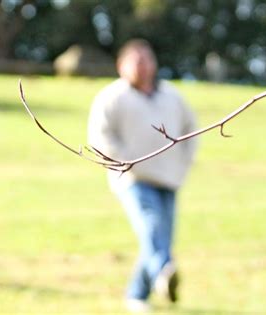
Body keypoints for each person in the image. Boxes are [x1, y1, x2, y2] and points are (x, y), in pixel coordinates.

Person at [87, 39, 198, 312]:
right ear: (121, 65)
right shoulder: (112, 97)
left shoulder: (172, 96)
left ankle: (138, 294)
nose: (142, 66)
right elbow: (100, 136)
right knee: (151, 228)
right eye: (135, 60)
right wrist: (125, 162)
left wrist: (182, 165)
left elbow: (191, 131)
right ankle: (163, 270)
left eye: (146, 59)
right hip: (133, 179)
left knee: (161, 238)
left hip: (169, 177)